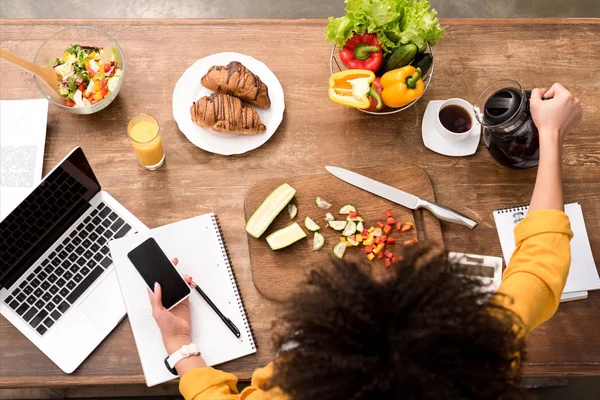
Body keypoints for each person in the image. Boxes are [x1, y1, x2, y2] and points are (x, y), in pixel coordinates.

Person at [148, 83, 581, 400]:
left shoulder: (290, 391)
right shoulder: (480, 351)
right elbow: (543, 264)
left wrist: (180, 347)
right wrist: (549, 134)